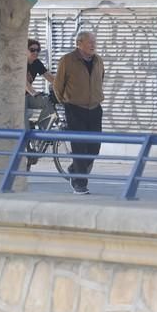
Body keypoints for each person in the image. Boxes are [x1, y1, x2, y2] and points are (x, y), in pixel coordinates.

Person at [53, 31, 105, 195]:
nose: (93, 45)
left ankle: (75, 169)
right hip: (75, 108)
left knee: (94, 148)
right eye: (90, 42)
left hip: (95, 108)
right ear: (79, 43)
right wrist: (65, 102)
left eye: (94, 42)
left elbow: (101, 79)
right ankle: (80, 183)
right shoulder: (68, 60)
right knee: (80, 147)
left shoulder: (98, 61)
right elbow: (58, 84)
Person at [26, 38, 56, 130]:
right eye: (32, 50)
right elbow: (23, 82)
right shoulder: (20, 63)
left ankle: (43, 133)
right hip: (17, 99)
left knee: (47, 102)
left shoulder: (36, 63)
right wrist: (33, 92)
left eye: (37, 50)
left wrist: (63, 85)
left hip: (27, 96)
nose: (35, 52)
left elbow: (49, 77)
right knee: (23, 127)